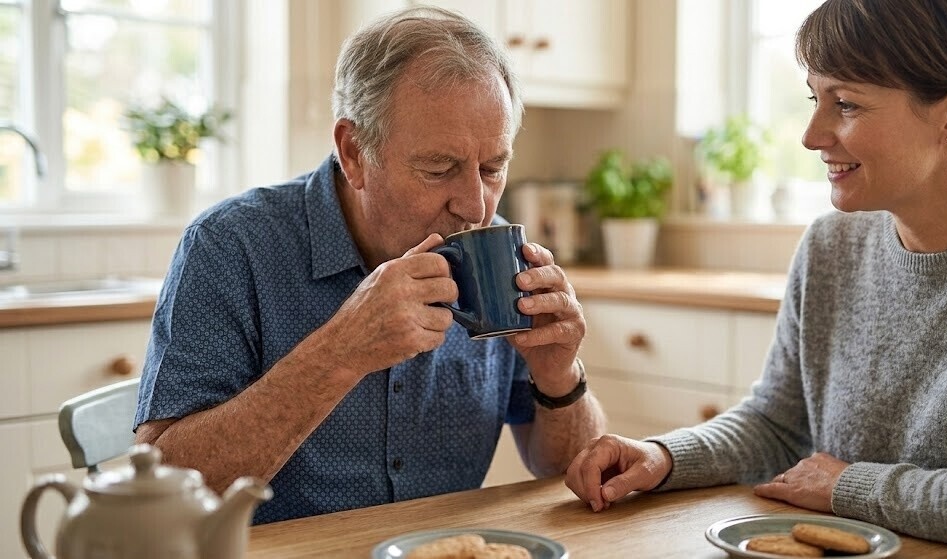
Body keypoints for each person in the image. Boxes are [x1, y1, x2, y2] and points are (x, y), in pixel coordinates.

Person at [563, 0, 947, 555]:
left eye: (846, 104)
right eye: (814, 99)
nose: (811, 135)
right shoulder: (832, 246)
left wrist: (848, 486)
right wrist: (664, 457)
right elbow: (779, 426)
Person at [134, 6, 605, 525]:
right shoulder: (231, 246)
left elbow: (566, 470)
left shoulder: (497, 255)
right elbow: (162, 487)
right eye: (438, 169)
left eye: (493, 168)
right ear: (354, 152)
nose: (476, 205)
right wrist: (340, 352)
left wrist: (560, 375)